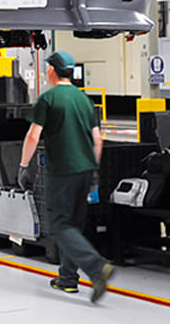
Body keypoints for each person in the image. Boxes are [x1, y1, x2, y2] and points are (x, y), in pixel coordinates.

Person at [19, 50, 114, 303]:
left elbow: (33, 135)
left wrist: (24, 165)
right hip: (85, 170)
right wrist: (94, 170)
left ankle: (97, 268)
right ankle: (68, 279)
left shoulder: (48, 98)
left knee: (59, 225)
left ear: (52, 70)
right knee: (73, 225)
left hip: (62, 170)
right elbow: (97, 139)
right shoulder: (84, 99)